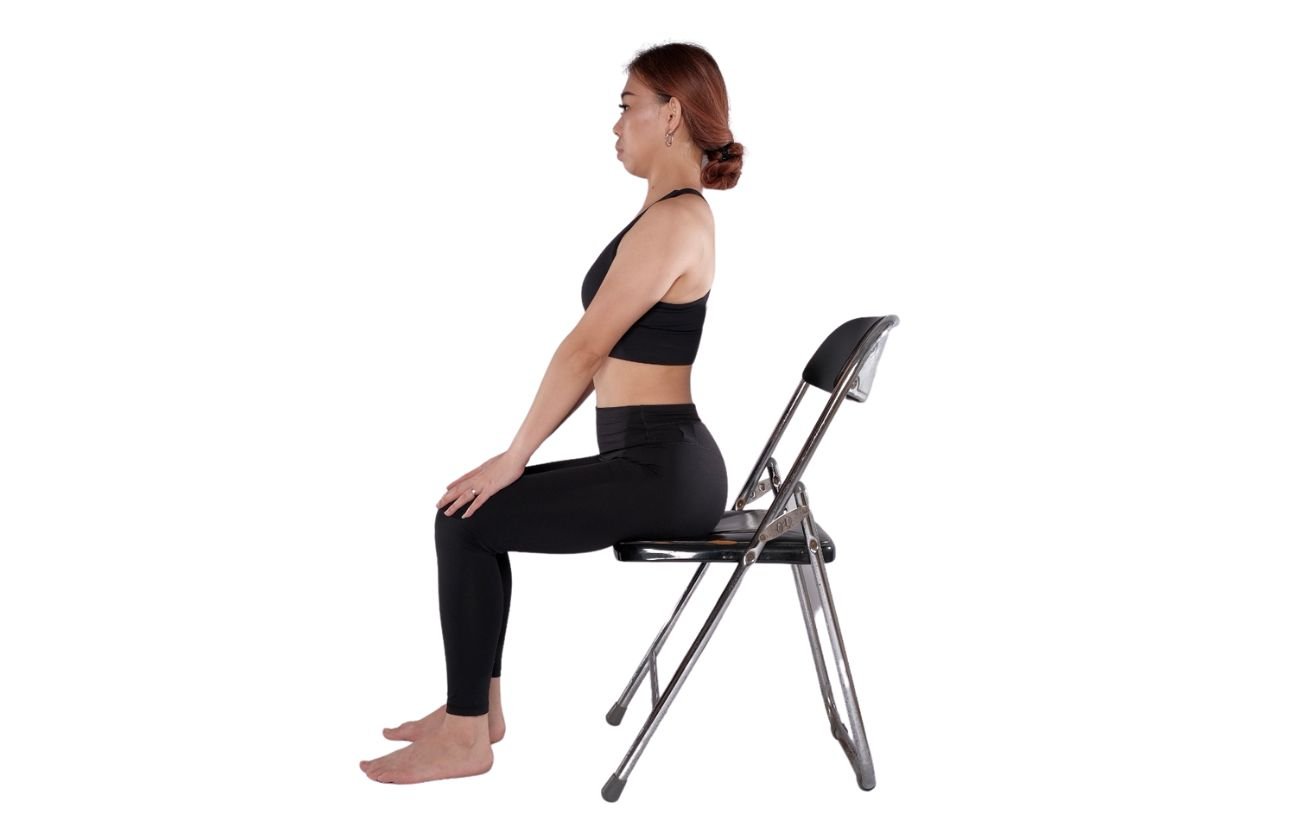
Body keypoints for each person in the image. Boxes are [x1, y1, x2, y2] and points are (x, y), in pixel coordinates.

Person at [360, 41, 743, 784]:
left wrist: (513, 458)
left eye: (627, 104)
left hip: (660, 468)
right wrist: (515, 461)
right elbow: (594, 355)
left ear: (671, 115)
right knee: (473, 517)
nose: (616, 123)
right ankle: (475, 710)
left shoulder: (675, 221)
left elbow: (584, 348)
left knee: (464, 518)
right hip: (656, 461)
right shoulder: (668, 215)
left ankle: (468, 734)